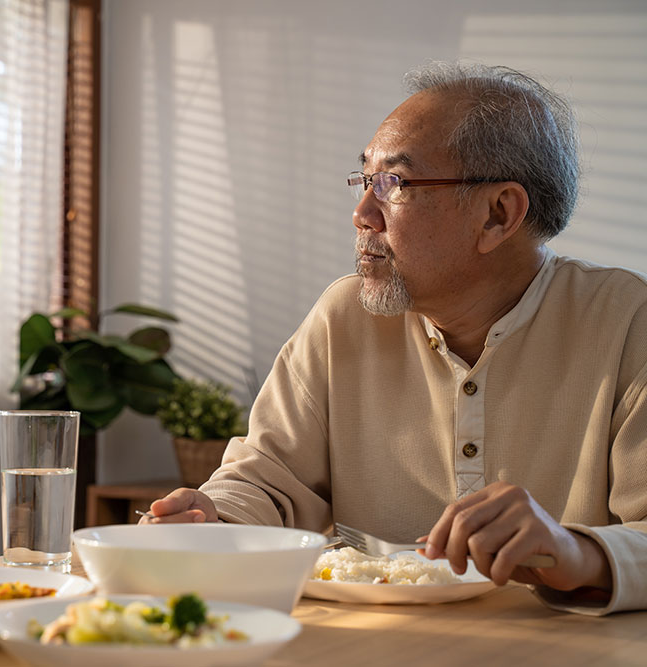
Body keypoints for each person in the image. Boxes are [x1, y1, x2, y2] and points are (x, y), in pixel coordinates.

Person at [142, 62, 647, 615]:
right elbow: (269, 479)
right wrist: (212, 517)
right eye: (365, 180)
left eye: (394, 184)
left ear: (498, 214)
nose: (361, 214)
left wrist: (576, 553)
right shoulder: (343, 318)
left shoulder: (626, 323)